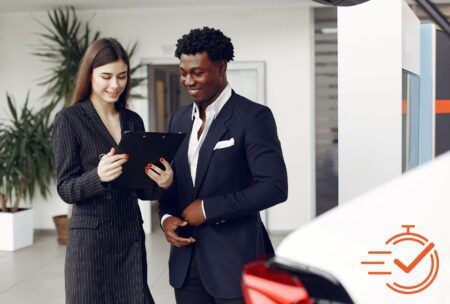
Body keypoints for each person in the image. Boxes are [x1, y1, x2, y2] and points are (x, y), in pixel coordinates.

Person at [159, 27, 288, 304]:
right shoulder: (178, 120)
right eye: (183, 72)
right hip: (185, 264)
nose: (188, 81)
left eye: (197, 72)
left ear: (221, 67)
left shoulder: (253, 117)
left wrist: (207, 209)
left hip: (234, 263)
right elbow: (173, 183)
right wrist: (166, 218)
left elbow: (273, 187)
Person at [52, 38, 173, 304]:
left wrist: (161, 182)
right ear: (90, 75)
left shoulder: (133, 120)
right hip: (90, 245)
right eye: (106, 76)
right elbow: (65, 188)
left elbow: (143, 189)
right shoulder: (69, 120)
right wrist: (98, 176)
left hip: (129, 237)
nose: (115, 84)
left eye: (122, 76)